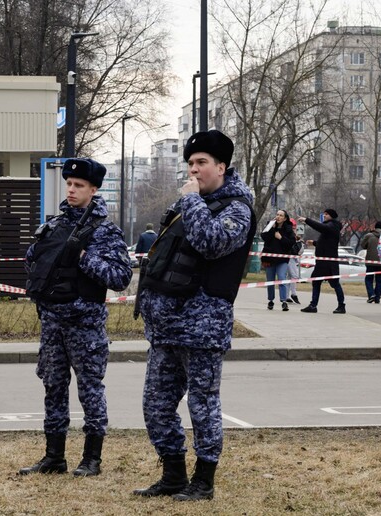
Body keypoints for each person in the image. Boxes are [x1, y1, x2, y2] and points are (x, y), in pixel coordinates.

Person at [133, 130, 256, 502]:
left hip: (202, 328)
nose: (194, 170)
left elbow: (211, 242)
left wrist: (191, 203)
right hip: (166, 326)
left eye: (201, 163)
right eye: (190, 163)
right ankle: (172, 474)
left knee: (203, 406)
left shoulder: (237, 208)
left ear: (221, 166)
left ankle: (203, 481)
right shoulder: (191, 203)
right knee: (155, 404)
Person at [21, 158, 132, 477]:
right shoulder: (54, 225)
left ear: (93, 190)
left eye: (78, 185)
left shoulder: (105, 232)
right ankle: (53, 457)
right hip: (52, 323)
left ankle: (91, 459)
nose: (71, 189)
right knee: (53, 388)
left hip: (85, 326)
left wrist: (84, 258)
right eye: (69, 183)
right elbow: (33, 261)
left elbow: (120, 277)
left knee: (90, 390)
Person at [297, 209, 346, 314]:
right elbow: (326, 243)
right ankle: (313, 305)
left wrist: (307, 220)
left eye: (326, 214)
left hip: (328, 262)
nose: (324, 216)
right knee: (316, 282)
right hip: (322, 261)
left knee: (335, 284)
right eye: (324, 214)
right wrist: (315, 243)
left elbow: (321, 228)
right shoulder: (330, 227)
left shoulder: (332, 225)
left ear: (332, 216)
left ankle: (341, 306)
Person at [260, 209, 295, 311]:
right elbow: (264, 237)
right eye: (277, 215)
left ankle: (284, 301)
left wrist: (281, 238)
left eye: (281, 215)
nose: (278, 217)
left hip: (282, 259)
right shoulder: (270, 225)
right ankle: (270, 300)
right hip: (269, 258)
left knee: (281, 278)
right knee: (270, 281)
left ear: (284, 218)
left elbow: (291, 243)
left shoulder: (288, 229)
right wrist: (272, 229)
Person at [360, 221, 381, 304]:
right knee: (379, 281)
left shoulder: (369, 235)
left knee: (369, 279)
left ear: (375, 227)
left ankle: (371, 295)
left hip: (370, 261)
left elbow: (363, 245)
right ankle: (377, 298)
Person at [286, 219, 303, 305]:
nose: (293, 228)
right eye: (292, 226)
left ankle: (286, 295)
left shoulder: (295, 236)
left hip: (292, 257)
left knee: (290, 277)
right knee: (294, 276)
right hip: (290, 257)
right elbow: (292, 248)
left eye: (294, 227)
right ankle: (293, 294)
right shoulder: (288, 234)